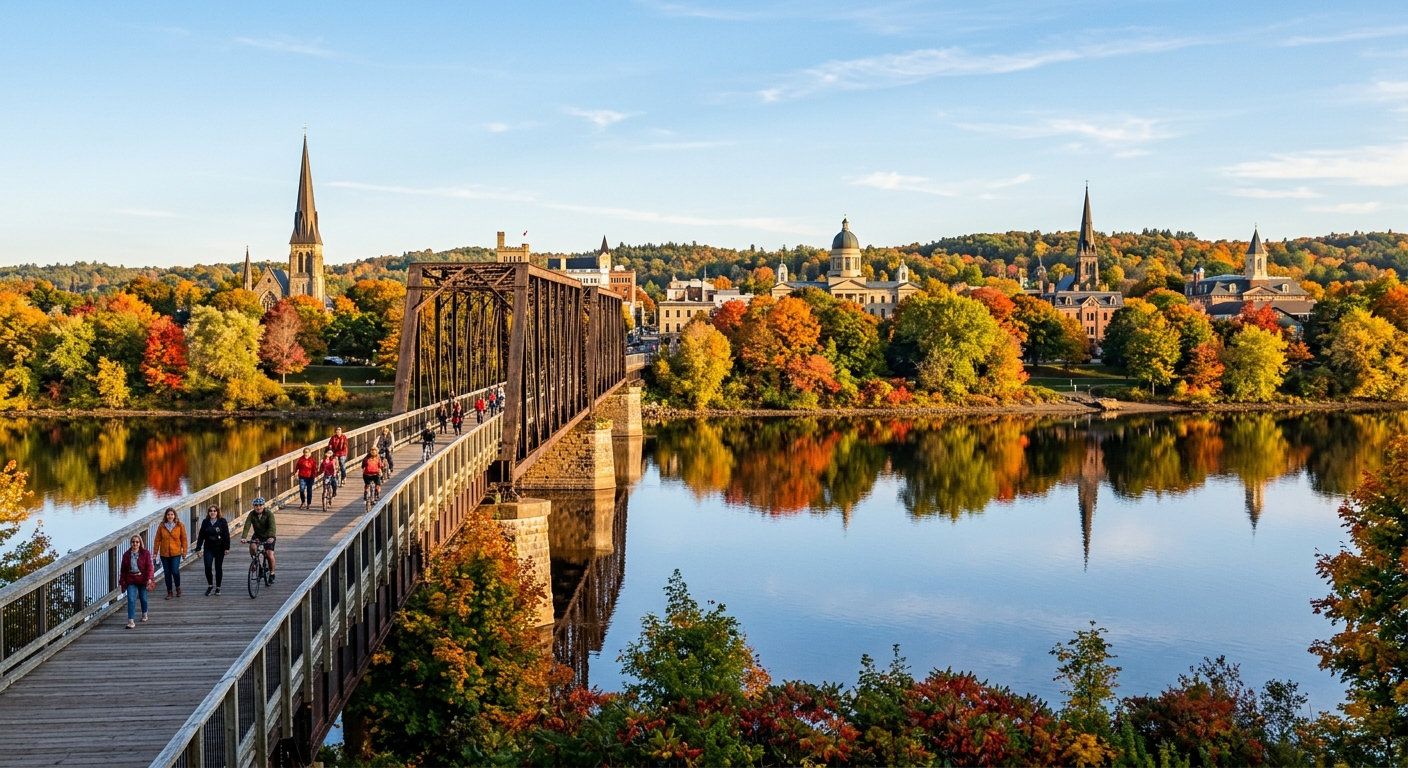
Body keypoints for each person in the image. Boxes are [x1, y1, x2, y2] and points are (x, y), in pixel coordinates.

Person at [194, 504, 230, 595]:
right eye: (211, 511)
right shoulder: (205, 522)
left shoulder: (222, 521)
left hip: (219, 547)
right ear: (208, 512)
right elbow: (201, 535)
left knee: (218, 568)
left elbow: (226, 535)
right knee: (207, 567)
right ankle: (210, 585)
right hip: (208, 547)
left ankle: (218, 587)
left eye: (214, 511)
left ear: (217, 512)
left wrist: (227, 547)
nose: (212, 513)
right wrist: (198, 548)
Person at [119, 534, 153, 629]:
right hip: (131, 578)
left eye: (137, 542)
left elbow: (149, 566)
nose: (135, 544)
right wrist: (122, 582)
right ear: (130, 543)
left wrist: (149, 578)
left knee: (143, 598)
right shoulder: (126, 555)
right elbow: (123, 570)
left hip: (142, 578)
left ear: (140, 543)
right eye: (133, 542)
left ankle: (144, 613)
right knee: (131, 599)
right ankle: (131, 621)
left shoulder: (145, 553)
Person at [241, 497, 277, 584]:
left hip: (268, 535)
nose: (258, 507)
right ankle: (256, 563)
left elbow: (272, 526)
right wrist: (244, 537)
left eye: (260, 505)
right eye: (256, 506)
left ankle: (272, 573)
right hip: (258, 535)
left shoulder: (268, 514)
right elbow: (247, 525)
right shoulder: (252, 514)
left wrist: (271, 537)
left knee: (269, 554)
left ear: (264, 506)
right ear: (253, 506)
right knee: (252, 546)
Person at [153, 508, 187, 600]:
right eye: (168, 515)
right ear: (166, 516)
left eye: (172, 514)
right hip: (164, 554)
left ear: (175, 515)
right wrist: (155, 553)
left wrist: (184, 551)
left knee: (175, 571)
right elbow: (157, 540)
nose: (170, 516)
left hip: (176, 552)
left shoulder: (180, 525)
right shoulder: (162, 526)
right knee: (167, 573)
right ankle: (170, 592)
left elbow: (184, 539)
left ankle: (178, 588)